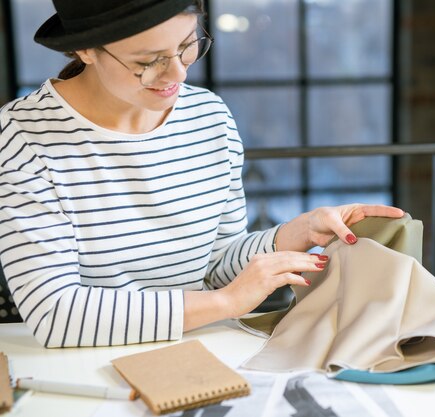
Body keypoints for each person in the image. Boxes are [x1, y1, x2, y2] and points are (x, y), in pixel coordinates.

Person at [0, 0, 404, 348]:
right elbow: (54, 314)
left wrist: (296, 233)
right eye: (148, 61)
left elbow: (214, 266)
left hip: (201, 351)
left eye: (187, 45)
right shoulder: (23, 138)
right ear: (85, 49)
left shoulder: (208, 116)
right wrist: (227, 304)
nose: (178, 74)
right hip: (88, 371)